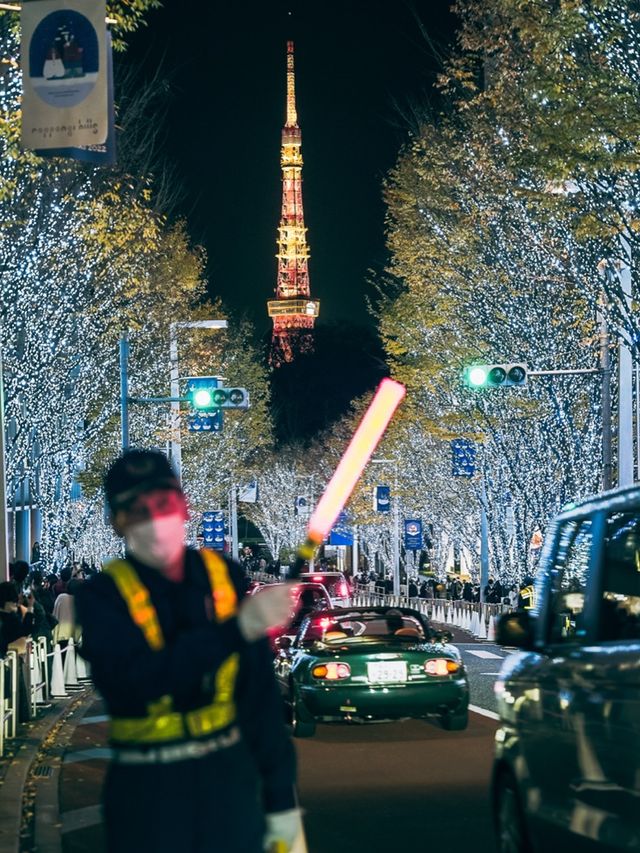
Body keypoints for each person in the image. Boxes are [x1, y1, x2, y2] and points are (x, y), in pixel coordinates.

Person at [75, 449, 302, 853]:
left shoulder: (224, 577)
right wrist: (240, 628)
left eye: (163, 503)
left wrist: (281, 800)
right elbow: (136, 682)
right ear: (116, 522)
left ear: (184, 505)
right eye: (136, 510)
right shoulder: (101, 597)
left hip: (229, 782)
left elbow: (258, 697)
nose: (154, 519)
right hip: (147, 793)